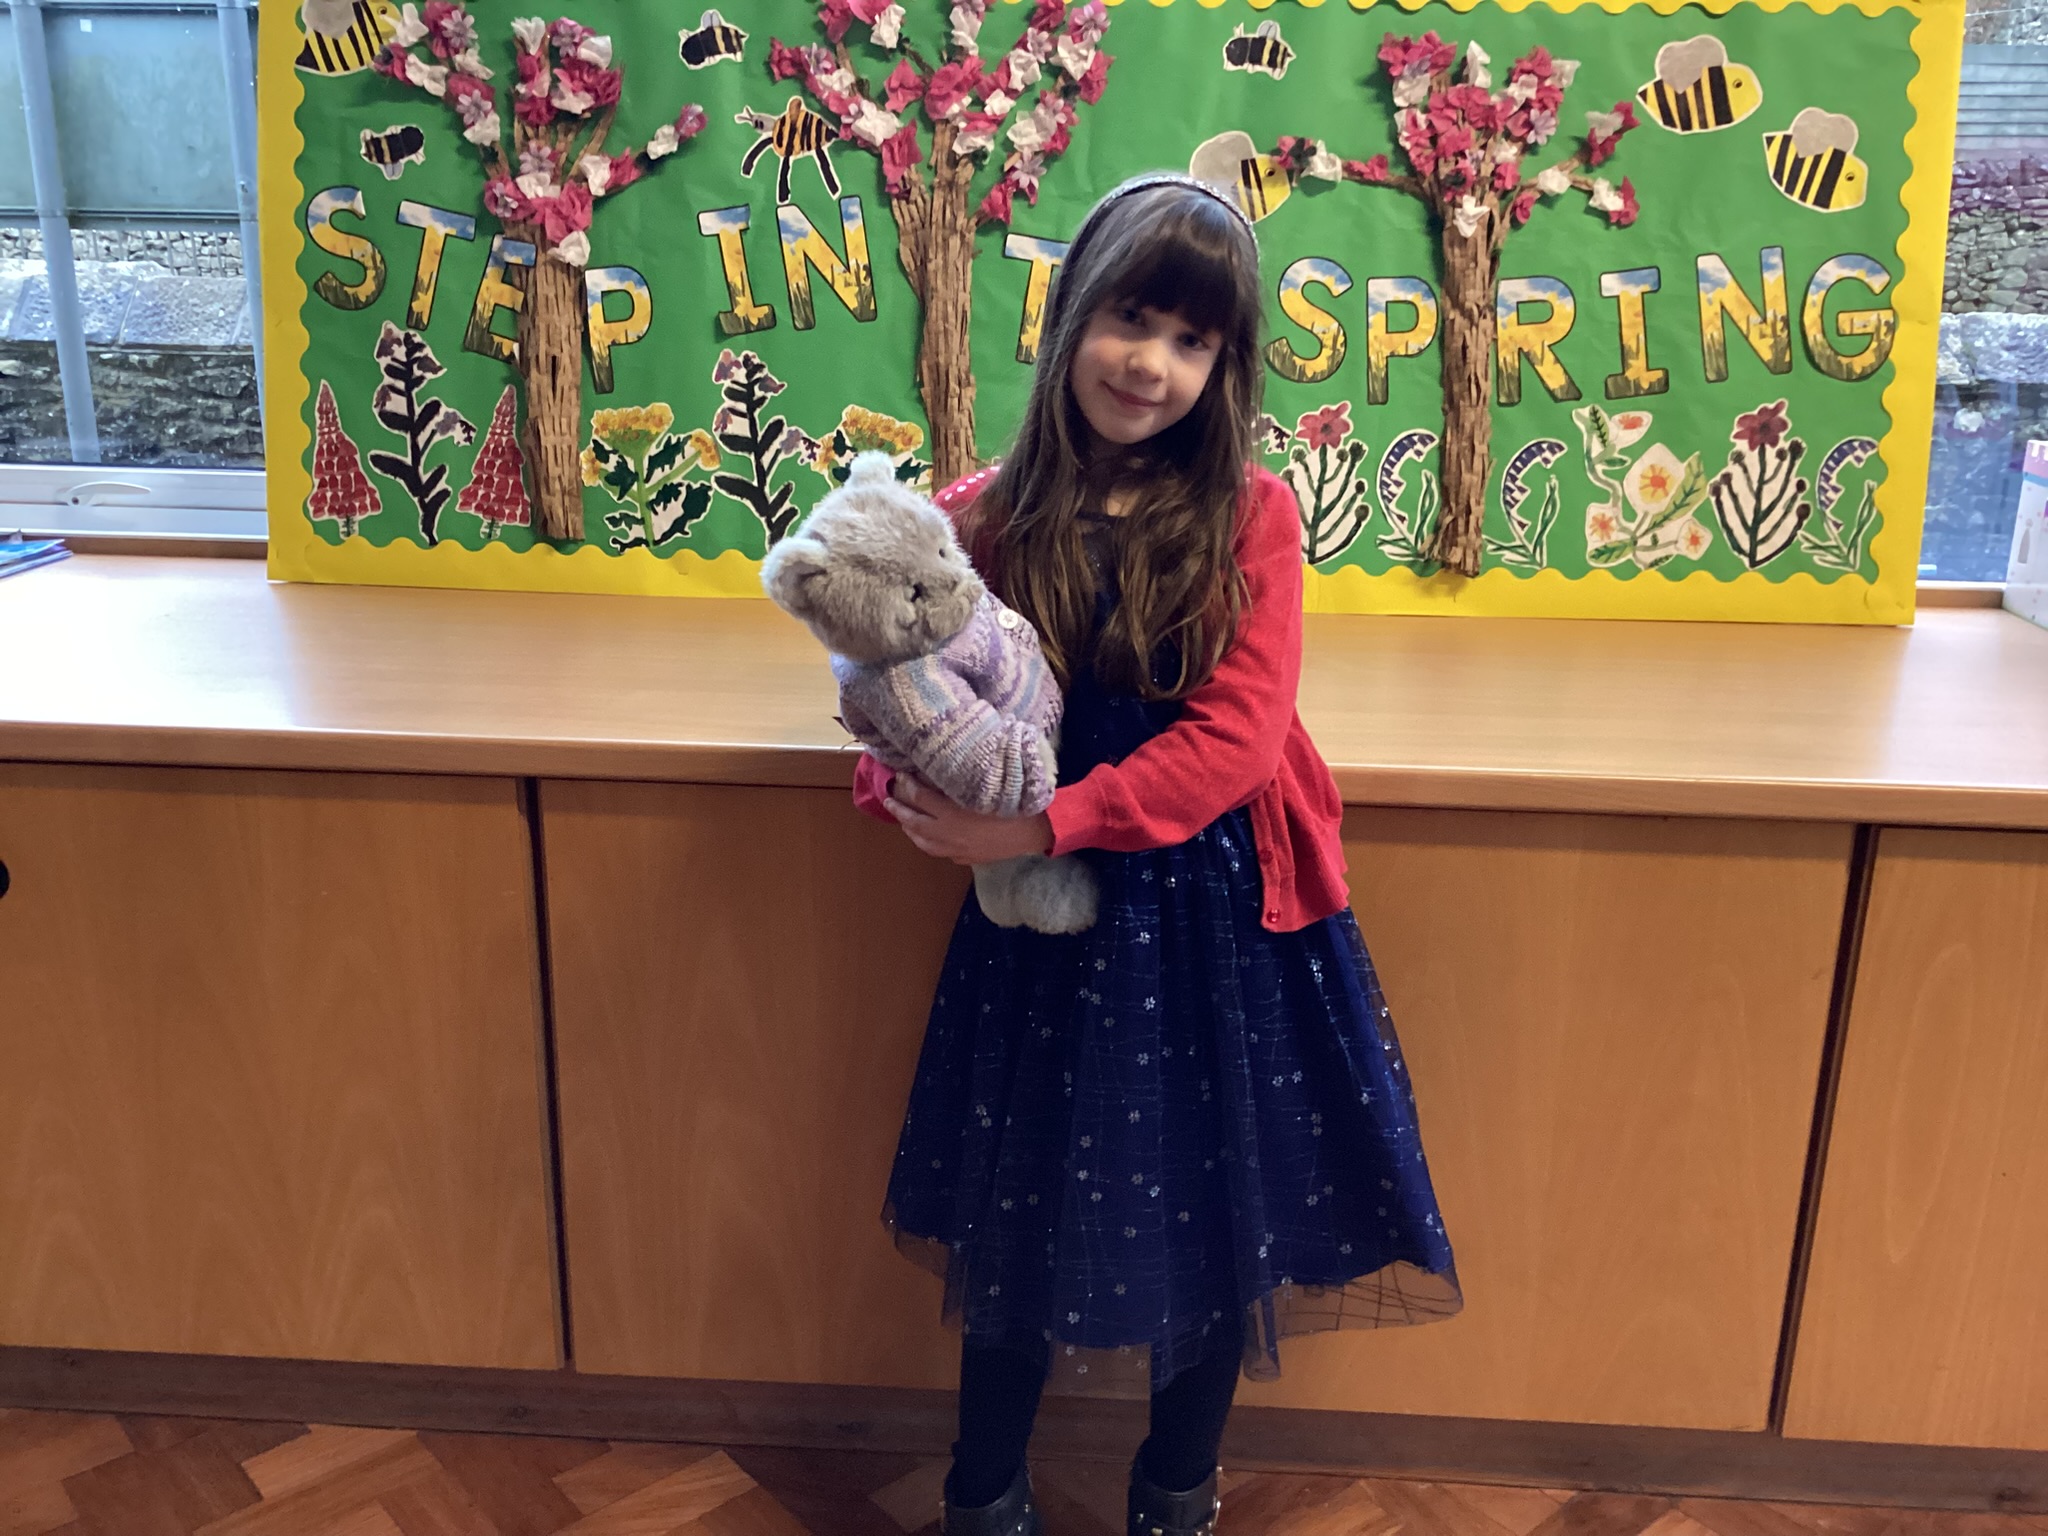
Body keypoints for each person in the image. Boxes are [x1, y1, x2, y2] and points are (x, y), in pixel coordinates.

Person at [850, 172, 1461, 1536]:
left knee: (1208, 1213)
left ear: (1225, 367)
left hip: (1211, 921)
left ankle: (1176, 1495)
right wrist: (902, 776)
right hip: (1041, 932)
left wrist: (1036, 823)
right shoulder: (979, 515)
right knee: (1016, 1212)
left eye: (1193, 341)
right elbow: (898, 680)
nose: (1152, 364)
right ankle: (982, 1497)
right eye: (1131, 320)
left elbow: (1238, 742)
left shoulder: (1252, 514)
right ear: (1072, 314)